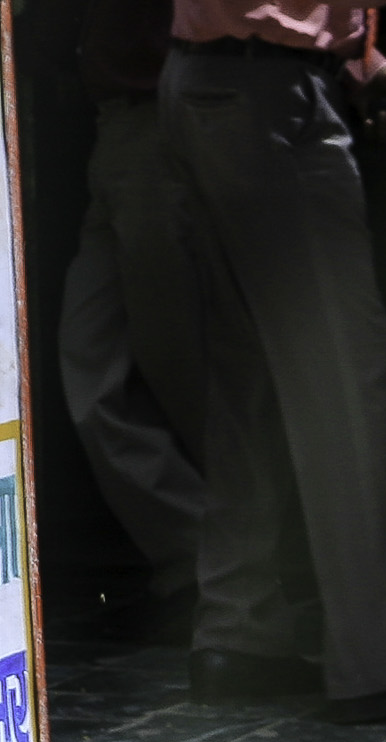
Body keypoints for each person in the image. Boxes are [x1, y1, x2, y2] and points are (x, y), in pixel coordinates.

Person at [159, 0, 386, 715]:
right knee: (341, 375)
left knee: (248, 379)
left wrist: (359, 58)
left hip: (226, 82)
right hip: (266, 97)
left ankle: (239, 634)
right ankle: (375, 660)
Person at [58, 0, 206, 645]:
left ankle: (242, 584)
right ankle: (206, 560)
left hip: (164, 117)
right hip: (118, 123)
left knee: (190, 374)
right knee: (91, 370)